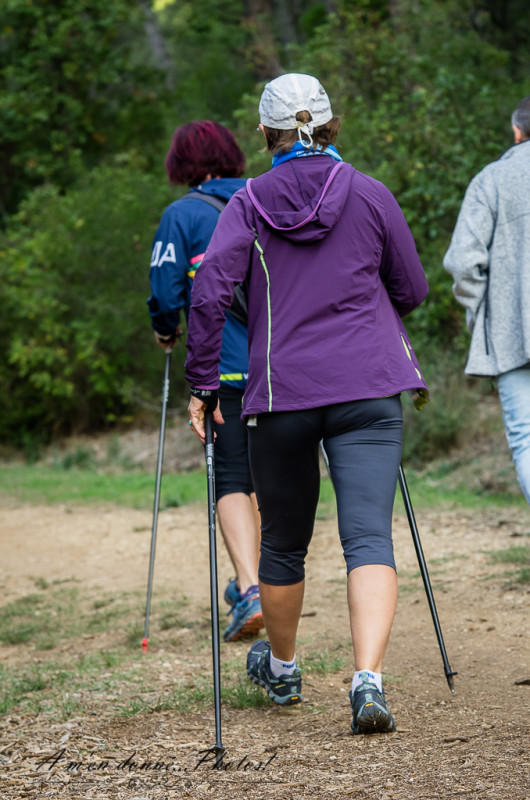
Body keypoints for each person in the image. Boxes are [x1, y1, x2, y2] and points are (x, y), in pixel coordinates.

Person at [185, 74, 429, 735]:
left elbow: (209, 295)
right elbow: (411, 287)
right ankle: (368, 681)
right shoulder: (371, 194)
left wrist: (204, 384)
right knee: (368, 538)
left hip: (281, 391)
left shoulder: (248, 203)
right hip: (370, 387)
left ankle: (285, 670)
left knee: (285, 545)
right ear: (330, 126)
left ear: (265, 135)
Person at [147, 120, 264, 641]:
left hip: (227, 370)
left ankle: (250, 586)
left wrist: (166, 330)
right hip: (290, 367)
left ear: (181, 165)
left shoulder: (182, 215)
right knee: (267, 478)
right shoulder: (268, 197)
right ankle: (258, 585)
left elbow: (166, 291)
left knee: (233, 477)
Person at [443, 96, 530, 505]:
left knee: (527, 440)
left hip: (512, 332)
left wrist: (480, 312)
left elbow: (463, 261)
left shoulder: (492, 179)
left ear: (517, 131)